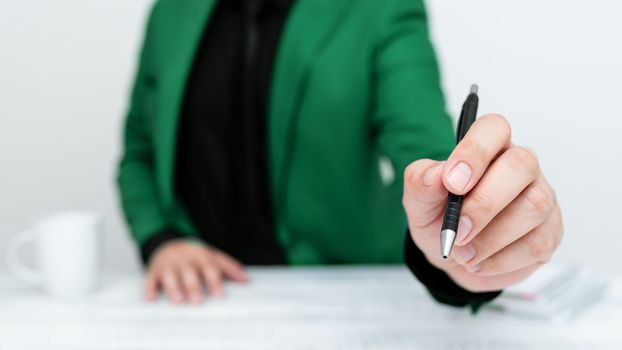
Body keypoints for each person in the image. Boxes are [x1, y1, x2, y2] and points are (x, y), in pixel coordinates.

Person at [117, 0, 563, 310]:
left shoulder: (379, 10)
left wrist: (465, 249)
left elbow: (426, 160)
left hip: (334, 294)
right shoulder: (171, 13)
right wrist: (162, 241)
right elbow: (138, 151)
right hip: (197, 301)